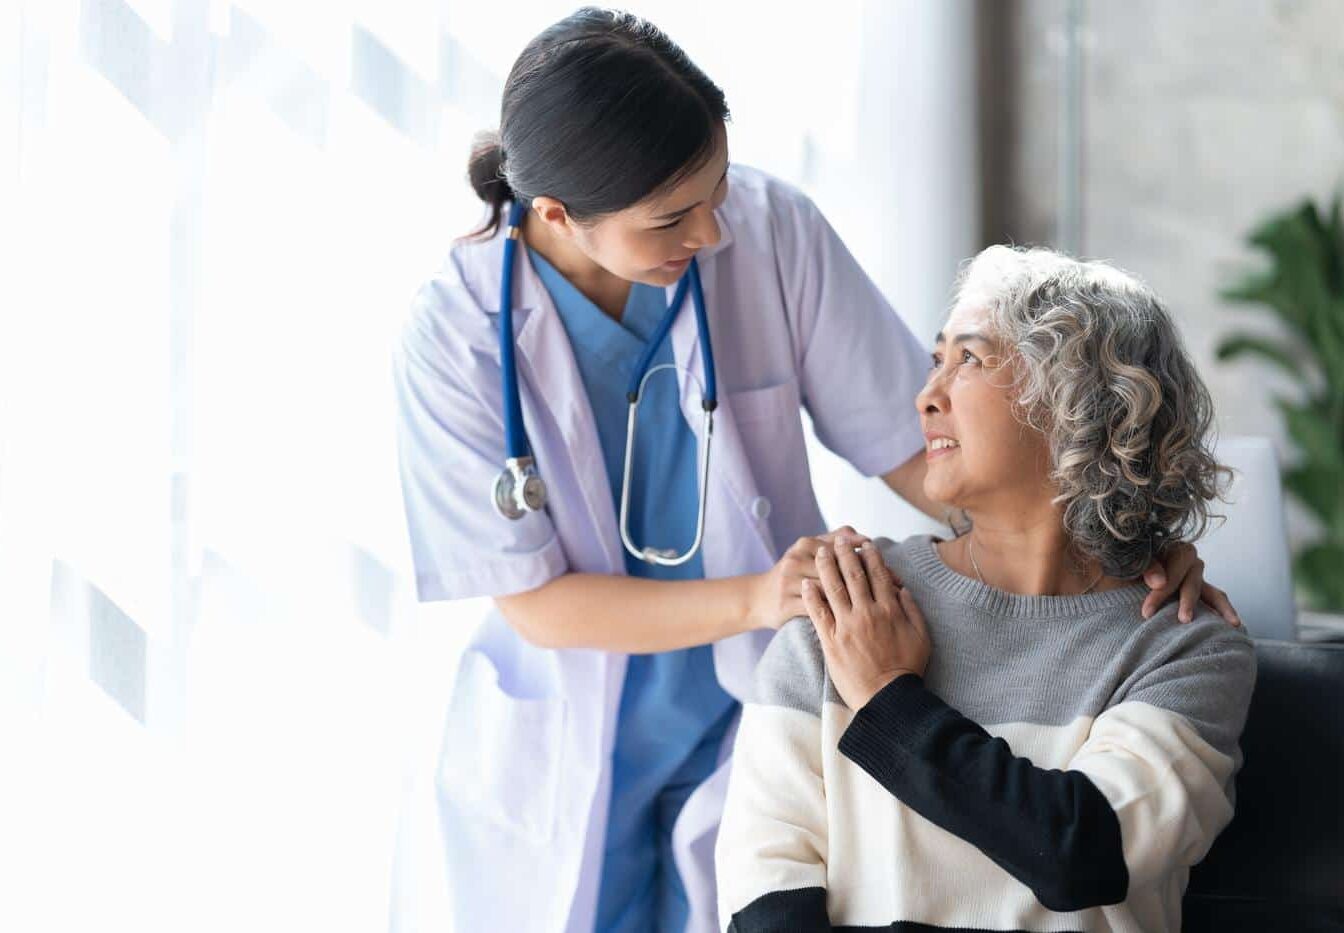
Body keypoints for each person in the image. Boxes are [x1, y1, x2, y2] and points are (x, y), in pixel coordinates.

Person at [391, 10, 1235, 931]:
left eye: (715, 188)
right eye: (672, 217)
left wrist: (1113, 540)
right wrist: (764, 599)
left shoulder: (768, 231)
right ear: (556, 215)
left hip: (754, 700)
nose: (712, 232)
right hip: (570, 735)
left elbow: (921, 446)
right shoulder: (456, 337)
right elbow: (533, 600)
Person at [715, 246, 1257, 932]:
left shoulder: (1183, 645)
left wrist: (888, 698)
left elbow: (1083, 852)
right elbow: (763, 898)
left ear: (1079, 402)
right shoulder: (850, 603)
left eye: (969, 359)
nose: (927, 394)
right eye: (937, 359)